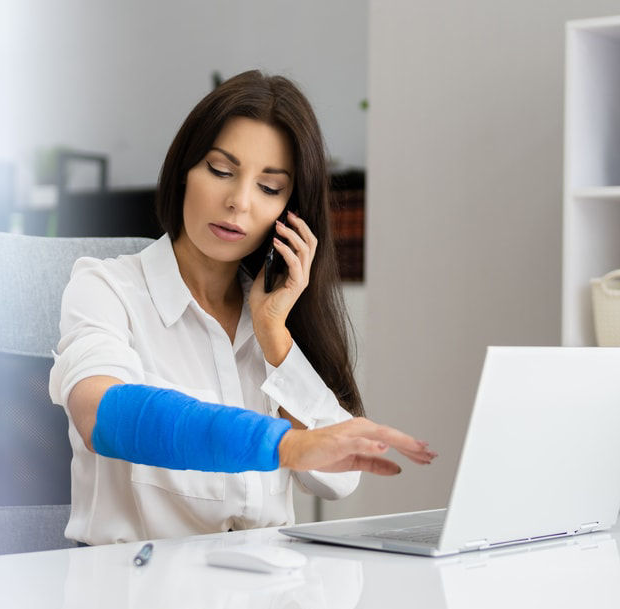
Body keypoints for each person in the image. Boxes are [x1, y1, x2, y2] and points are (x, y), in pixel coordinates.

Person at [49, 70, 436, 545]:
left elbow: (338, 479)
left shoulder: (272, 317)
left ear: (291, 213)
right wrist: (285, 446)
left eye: (269, 188)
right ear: (184, 170)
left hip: (265, 590)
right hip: (139, 589)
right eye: (220, 170)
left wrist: (276, 337)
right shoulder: (106, 287)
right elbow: (102, 417)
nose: (239, 202)